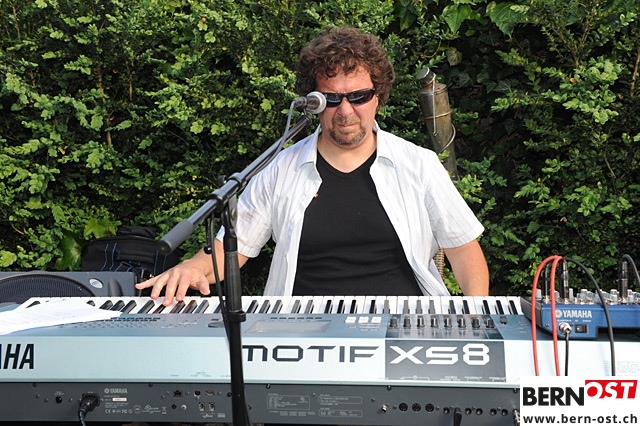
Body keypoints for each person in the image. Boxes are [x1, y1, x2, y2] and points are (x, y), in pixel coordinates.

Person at [136, 26, 489, 305]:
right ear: (313, 103)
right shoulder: (280, 168)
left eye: (358, 96)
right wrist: (191, 268)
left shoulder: (418, 164)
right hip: (303, 335)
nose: (346, 111)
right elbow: (233, 247)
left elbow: (463, 250)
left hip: (401, 333)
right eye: (331, 99)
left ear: (378, 96)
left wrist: (476, 320)